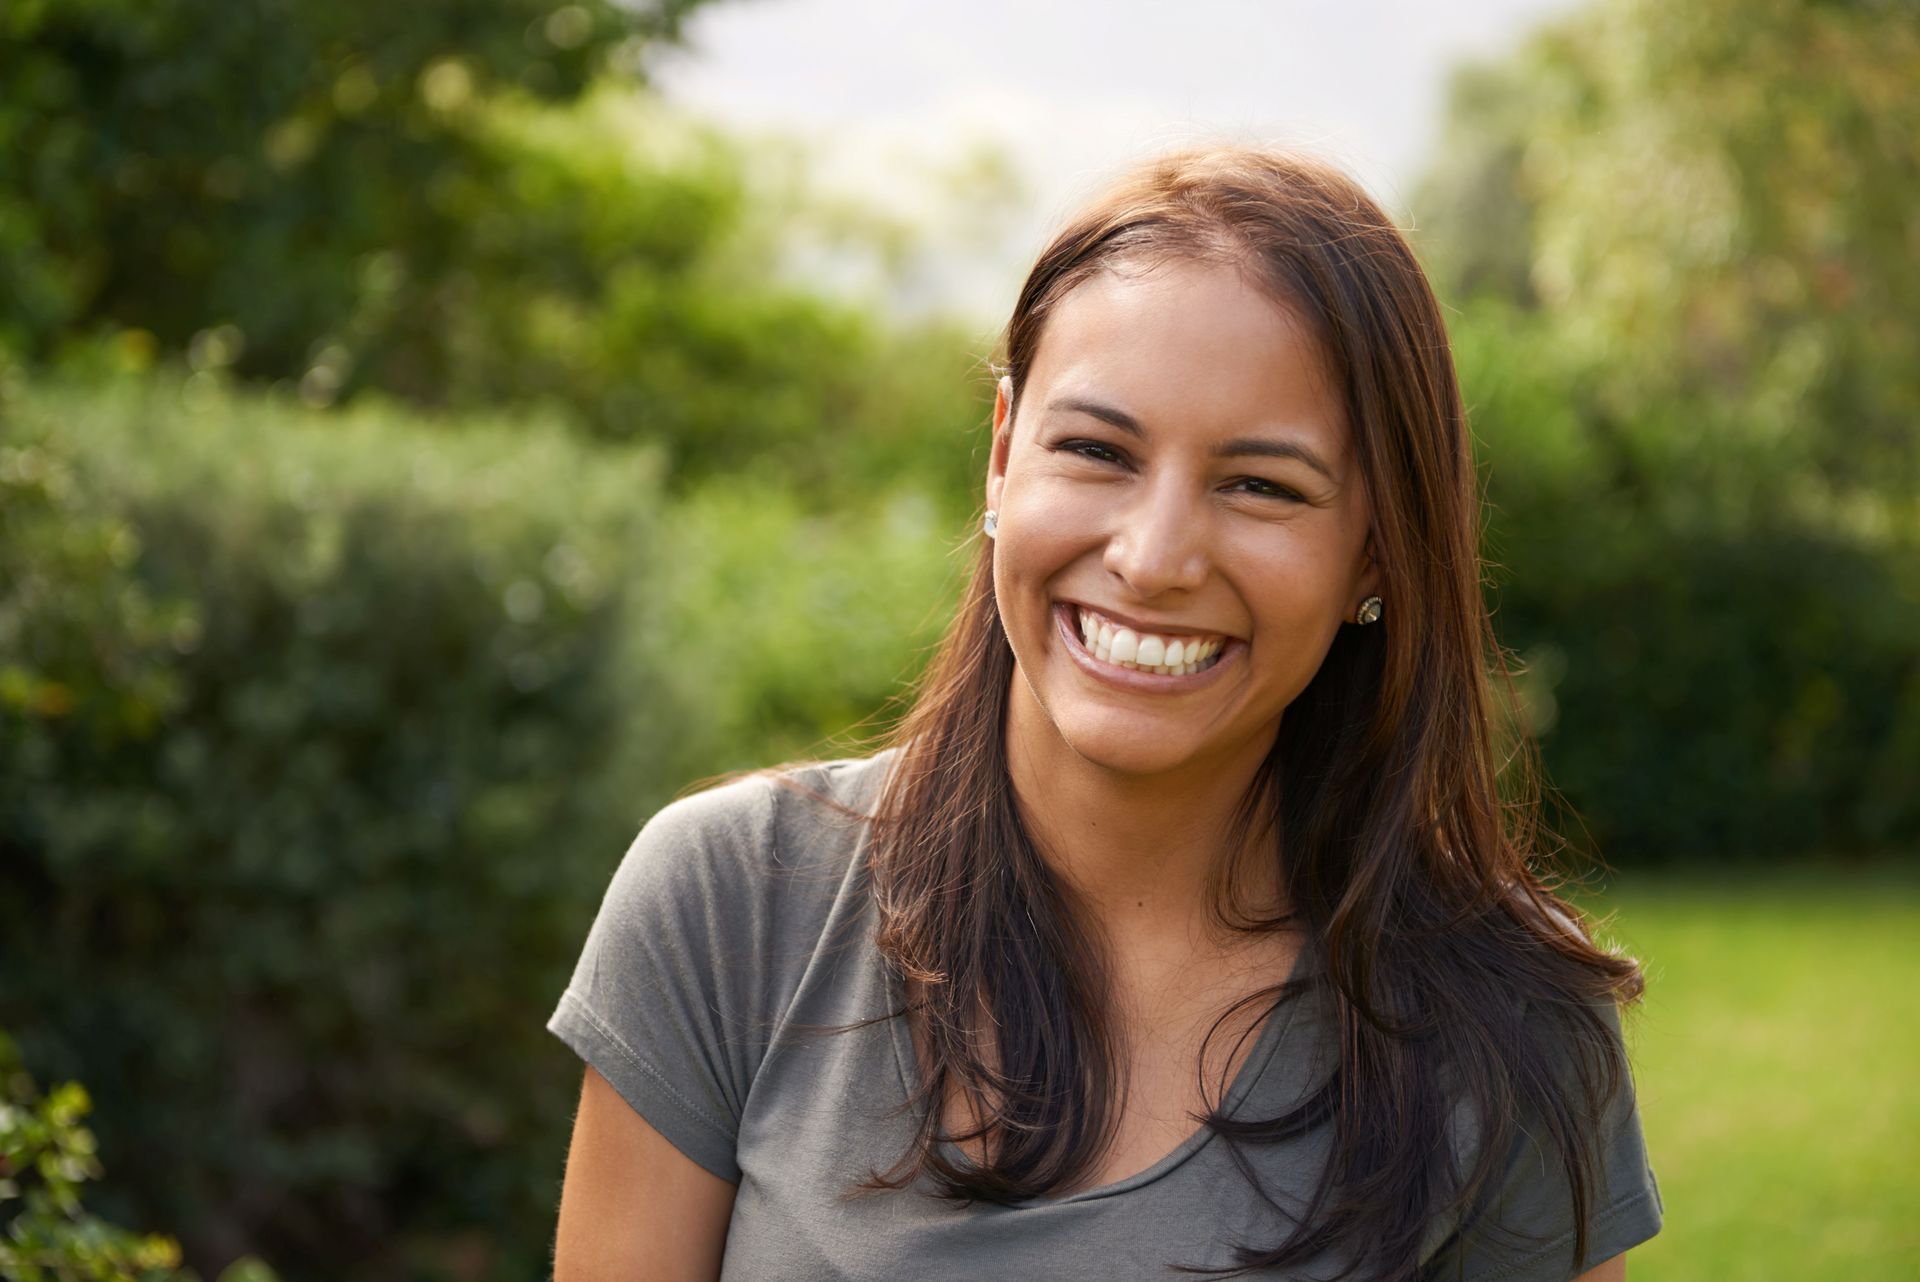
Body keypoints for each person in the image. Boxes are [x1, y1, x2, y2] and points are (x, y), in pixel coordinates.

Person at [546, 145, 1662, 1281]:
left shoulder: (1513, 1028)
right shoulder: (730, 905)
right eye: (1096, 450)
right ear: (1001, 454)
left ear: (1375, 546)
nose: (1154, 556)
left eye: (1261, 485)